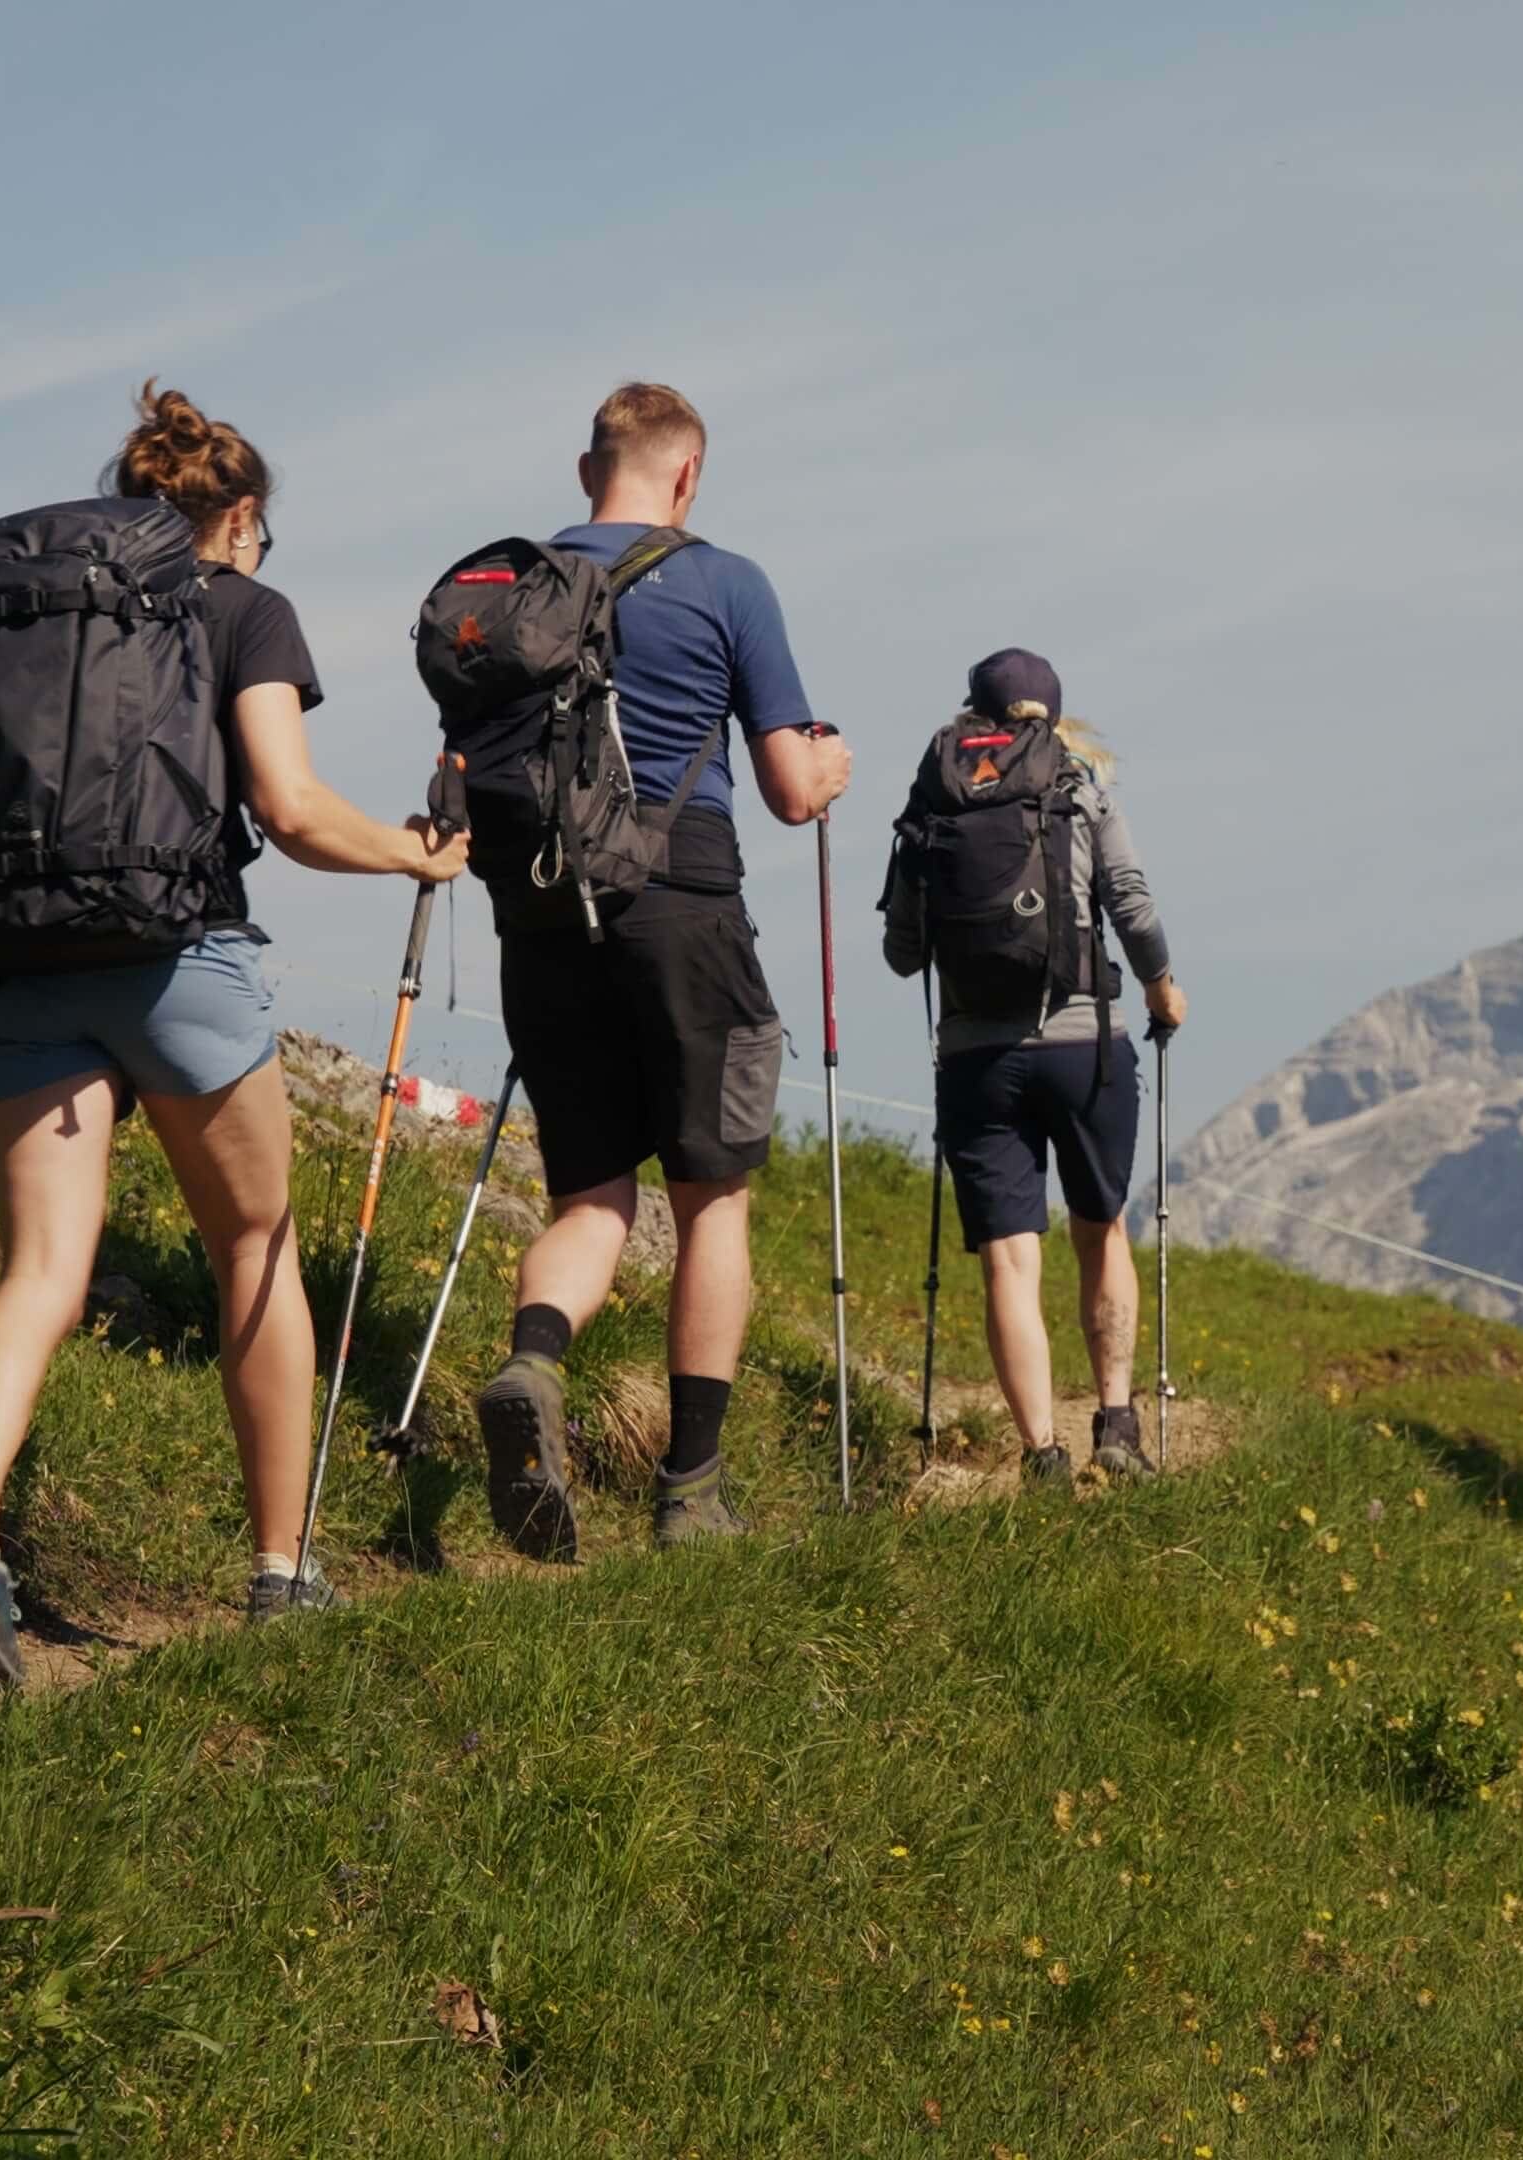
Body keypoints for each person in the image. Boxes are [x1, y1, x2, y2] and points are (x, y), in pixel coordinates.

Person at [0, 383, 470, 1689]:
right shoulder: (241, 608)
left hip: (12, 967)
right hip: (180, 959)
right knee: (255, 1242)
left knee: (39, 1270)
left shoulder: (7, 618)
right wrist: (412, 856)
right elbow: (291, 804)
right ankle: (283, 1569)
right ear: (244, 517)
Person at [470, 382, 850, 1558]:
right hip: (681, 898)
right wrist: (830, 769)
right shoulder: (727, 582)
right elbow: (791, 790)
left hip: (539, 910)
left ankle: (535, 1359)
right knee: (711, 1197)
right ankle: (692, 1490)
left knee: (591, 1194)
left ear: (590, 472)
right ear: (686, 478)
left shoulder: (515, 587)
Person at [884, 648, 1186, 1483]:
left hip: (979, 1059)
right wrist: (1161, 989)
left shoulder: (931, 796)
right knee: (1102, 1229)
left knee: (1013, 1261)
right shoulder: (1080, 788)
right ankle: (1117, 1425)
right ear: (1050, 716)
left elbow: (904, 955)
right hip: (1084, 1048)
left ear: (973, 712)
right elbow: (1130, 898)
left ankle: (1041, 1452)